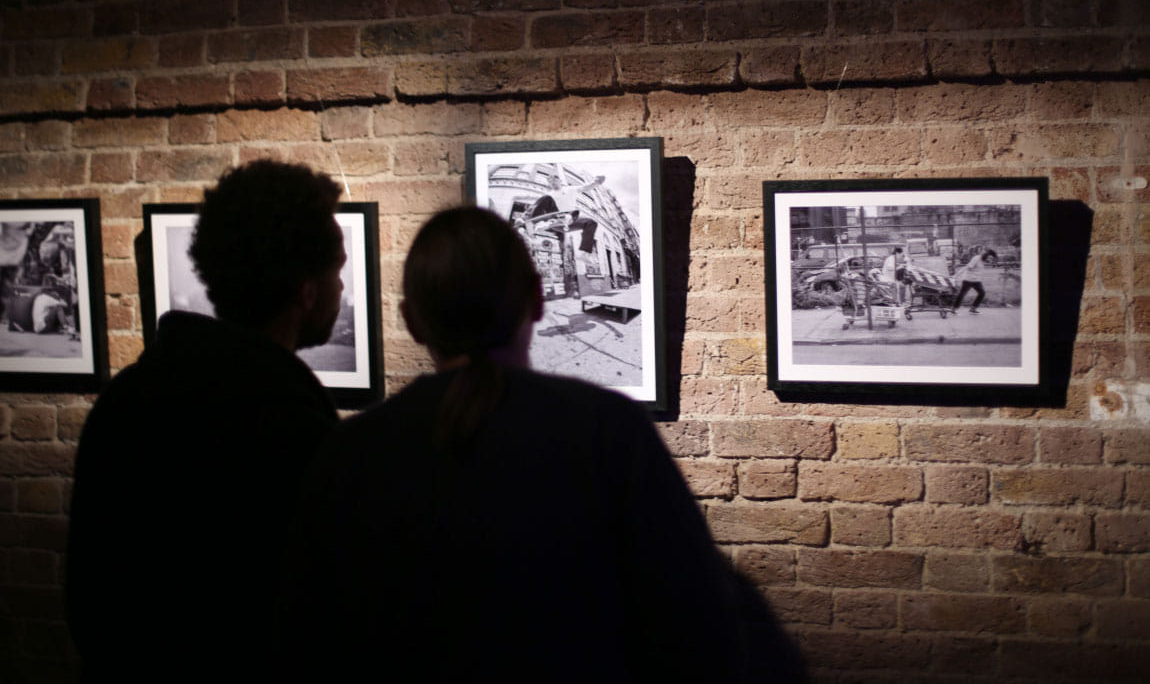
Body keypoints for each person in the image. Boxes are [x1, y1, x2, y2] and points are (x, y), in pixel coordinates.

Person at [276, 206, 804, 682]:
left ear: (411, 319)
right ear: (536, 298)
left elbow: (307, 642)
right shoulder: (607, 431)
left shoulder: (351, 453)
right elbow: (699, 631)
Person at [67, 160, 346, 683]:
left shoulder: (126, 399)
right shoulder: (291, 429)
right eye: (338, 272)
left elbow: (90, 604)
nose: (342, 290)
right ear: (306, 291)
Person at [952, 248, 998, 314]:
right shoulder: (977, 258)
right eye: (990, 258)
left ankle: (973, 309)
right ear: (987, 255)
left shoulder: (983, 260)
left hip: (976, 280)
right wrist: (956, 275)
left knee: (982, 293)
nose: (990, 260)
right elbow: (968, 267)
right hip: (968, 279)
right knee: (962, 294)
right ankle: (953, 309)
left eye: (992, 259)